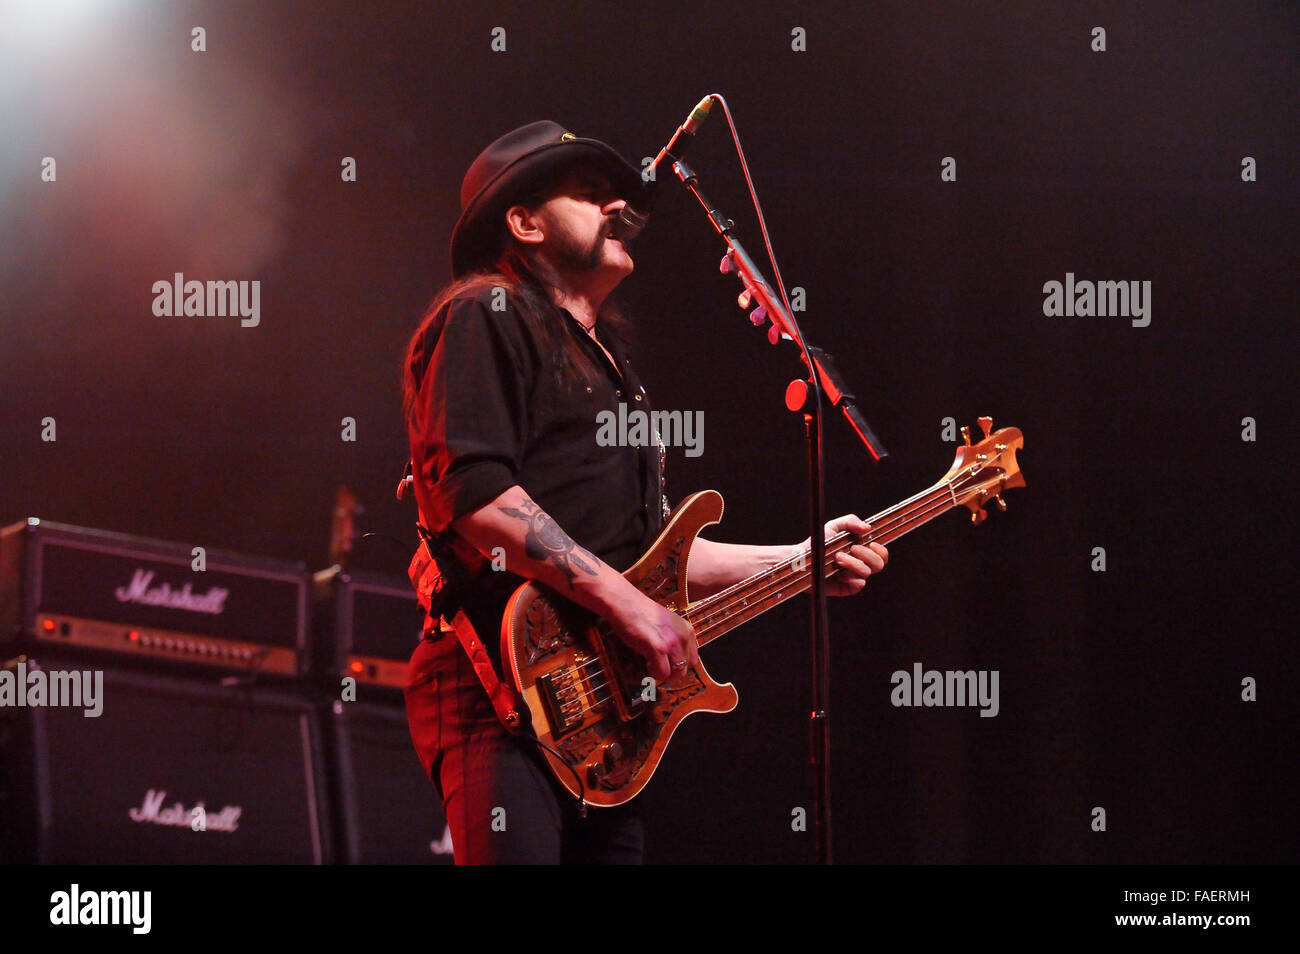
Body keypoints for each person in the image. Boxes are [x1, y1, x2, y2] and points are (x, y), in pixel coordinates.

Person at [400, 120, 888, 864]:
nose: (615, 209)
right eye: (588, 195)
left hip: (603, 719)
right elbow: (478, 496)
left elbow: (651, 554)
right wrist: (631, 609)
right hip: (497, 687)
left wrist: (798, 559)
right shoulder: (483, 313)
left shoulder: (612, 369)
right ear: (525, 223)